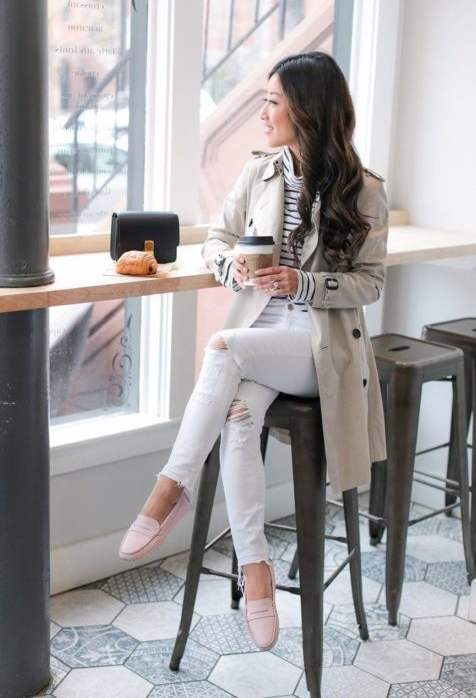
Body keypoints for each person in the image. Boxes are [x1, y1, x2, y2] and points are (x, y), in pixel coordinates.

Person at [119, 51, 388, 652]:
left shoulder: (363, 190)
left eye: (273, 102)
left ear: (308, 110)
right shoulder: (261, 172)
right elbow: (216, 239)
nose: (263, 113)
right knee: (238, 417)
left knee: (222, 347)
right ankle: (257, 570)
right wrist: (233, 270)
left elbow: (371, 283)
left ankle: (172, 485)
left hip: (319, 349)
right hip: (261, 336)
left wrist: (305, 283)